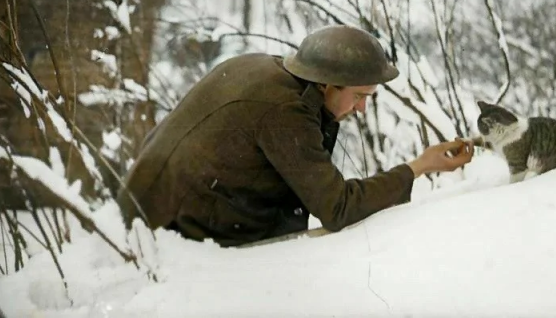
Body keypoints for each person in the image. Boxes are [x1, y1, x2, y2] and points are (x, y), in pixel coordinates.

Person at [117, 25, 474, 247]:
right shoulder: (285, 110)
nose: (362, 109)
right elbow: (337, 207)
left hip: (149, 207)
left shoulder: (272, 70)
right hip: (175, 236)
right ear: (327, 84)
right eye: (359, 97)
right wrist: (419, 166)